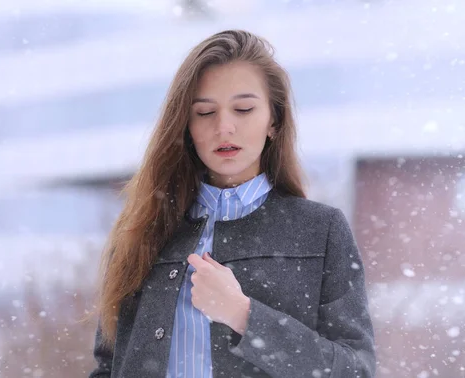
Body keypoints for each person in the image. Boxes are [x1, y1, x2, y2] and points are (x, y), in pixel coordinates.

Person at [89, 29, 376, 378]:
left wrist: (244, 315)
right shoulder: (142, 231)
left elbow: (355, 370)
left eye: (243, 109)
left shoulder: (320, 231)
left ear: (274, 120)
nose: (224, 127)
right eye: (205, 112)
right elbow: (109, 366)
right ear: (186, 127)